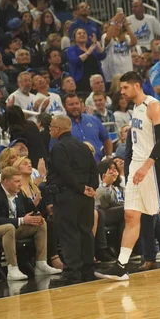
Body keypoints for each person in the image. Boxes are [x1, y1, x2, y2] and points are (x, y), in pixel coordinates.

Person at [95, 71, 160, 281]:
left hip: (153, 167)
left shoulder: (153, 105)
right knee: (131, 215)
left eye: (125, 88)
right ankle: (122, 265)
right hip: (138, 167)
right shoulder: (136, 108)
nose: (122, 92)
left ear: (137, 86)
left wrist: (146, 166)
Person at [47, 115, 99, 283]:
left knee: (69, 234)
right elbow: (94, 170)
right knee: (86, 232)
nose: (49, 130)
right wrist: (91, 188)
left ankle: (72, 272)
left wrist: (81, 188)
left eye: (51, 127)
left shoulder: (58, 147)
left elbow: (65, 172)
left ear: (57, 129)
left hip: (67, 196)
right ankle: (88, 270)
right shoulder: (83, 146)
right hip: (86, 197)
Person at [0, 166, 61, 281]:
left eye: (20, 181)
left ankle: (41, 264)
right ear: (6, 182)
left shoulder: (19, 194)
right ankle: (12, 268)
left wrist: (37, 217)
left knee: (41, 224)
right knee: (9, 227)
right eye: (17, 181)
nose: (20, 184)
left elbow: (31, 209)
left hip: (14, 228)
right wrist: (22, 220)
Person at [63, 94, 113, 162]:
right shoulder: (62, 125)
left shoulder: (93, 120)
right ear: (64, 107)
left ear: (81, 104)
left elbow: (106, 139)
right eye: (71, 104)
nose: (75, 106)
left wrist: (109, 157)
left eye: (77, 103)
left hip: (97, 163)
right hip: (75, 167)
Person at [67, 28, 106, 94]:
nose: (82, 34)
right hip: (82, 80)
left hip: (96, 79)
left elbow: (103, 55)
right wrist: (88, 53)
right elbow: (75, 61)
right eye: (79, 33)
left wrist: (96, 43)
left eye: (84, 33)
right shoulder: (72, 49)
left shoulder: (91, 47)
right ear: (74, 38)